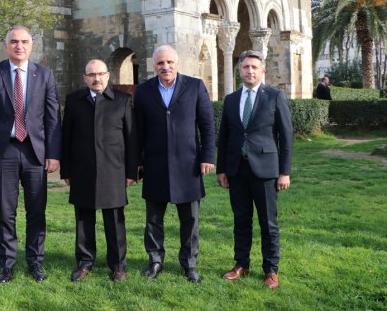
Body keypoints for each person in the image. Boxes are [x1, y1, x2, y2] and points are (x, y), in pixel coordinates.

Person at [0, 25, 62, 283]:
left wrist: (53, 153)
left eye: (24, 41)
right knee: (6, 211)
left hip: (36, 153)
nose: (19, 46)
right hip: (5, 152)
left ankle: (36, 263)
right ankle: (7, 264)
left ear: (31, 45)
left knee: (37, 210)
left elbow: (53, 117)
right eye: (14, 41)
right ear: (6, 45)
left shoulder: (44, 75)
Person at [133, 45, 215, 284]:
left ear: (177, 64)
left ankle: (189, 264)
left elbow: (207, 125)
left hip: (188, 164)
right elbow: (138, 130)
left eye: (169, 62)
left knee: (190, 220)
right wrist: (137, 161)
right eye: (160, 63)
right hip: (155, 164)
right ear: (154, 66)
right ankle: (155, 261)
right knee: (153, 220)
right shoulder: (144, 90)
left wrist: (207, 156)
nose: (165, 67)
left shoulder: (195, 86)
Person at [217, 50, 292, 289]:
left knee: (268, 222)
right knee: (241, 220)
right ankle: (241, 264)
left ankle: (271, 269)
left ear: (263, 71)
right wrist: (222, 169)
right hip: (237, 170)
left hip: (266, 171)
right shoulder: (231, 99)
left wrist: (284, 172)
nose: (249, 71)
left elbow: (286, 136)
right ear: (239, 70)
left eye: (254, 67)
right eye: (245, 67)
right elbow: (225, 136)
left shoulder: (275, 96)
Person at [60, 59, 138, 282]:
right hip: (82, 170)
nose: (96, 78)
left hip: (114, 170)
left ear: (108, 75)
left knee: (114, 220)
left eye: (100, 74)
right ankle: (85, 263)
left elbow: (131, 139)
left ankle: (118, 265)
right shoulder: (74, 101)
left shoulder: (122, 101)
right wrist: (66, 170)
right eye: (91, 74)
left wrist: (131, 172)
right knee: (84, 220)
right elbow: (67, 138)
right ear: (85, 77)